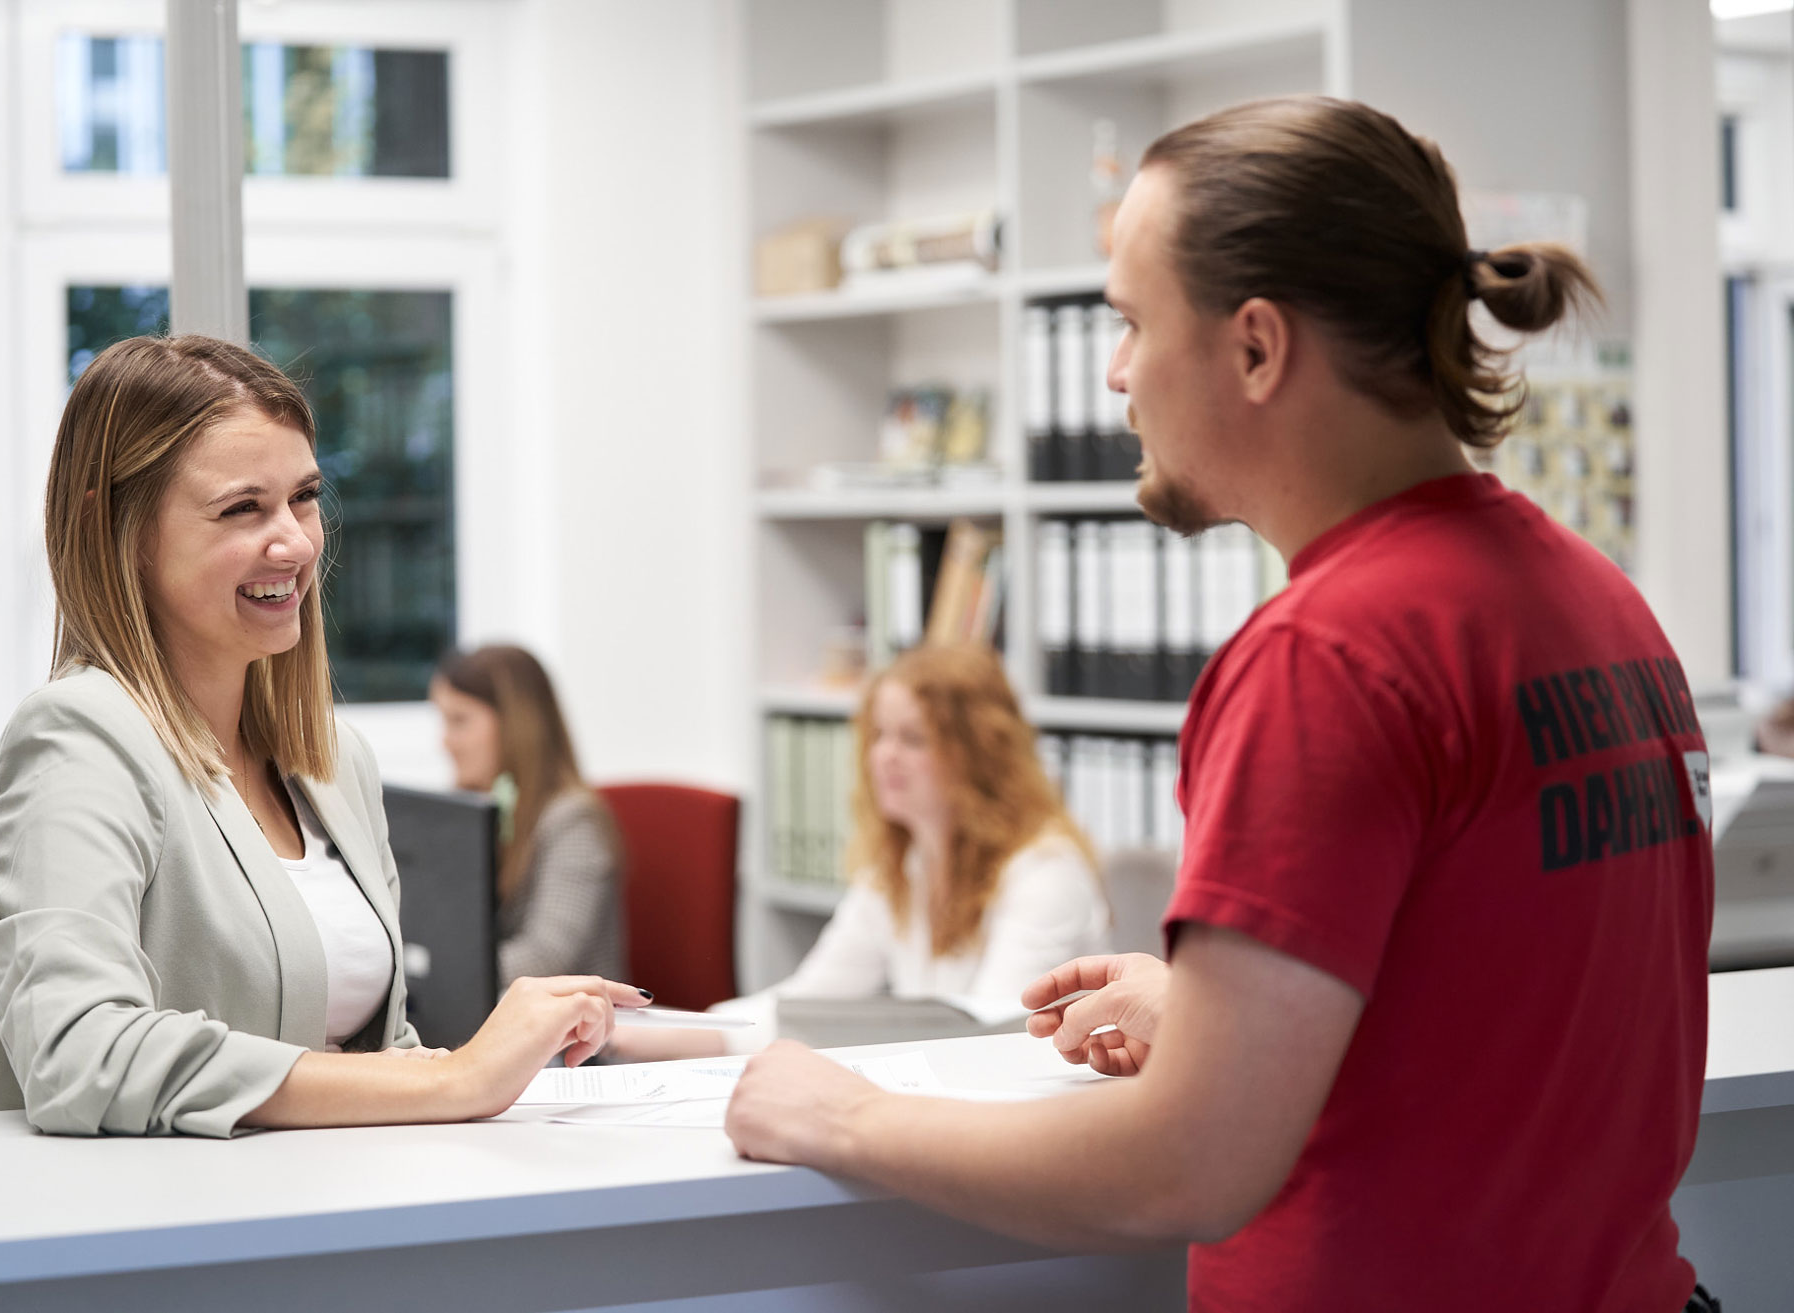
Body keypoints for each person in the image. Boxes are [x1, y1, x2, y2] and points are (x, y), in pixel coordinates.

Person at [724, 95, 1718, 1313]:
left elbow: (1182, 1169)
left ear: (1256, 348)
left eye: (1135, 321)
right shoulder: (1597, 601)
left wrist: (850, 1114)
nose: (1115, 372)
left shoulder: (1325, 656)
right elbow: (1507, 993)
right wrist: (1221, 1015)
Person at [0, 334, 645, 1138]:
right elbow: (78, 1053)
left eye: (304, 496)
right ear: (119, 527)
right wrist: (460, 1075)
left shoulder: (333, 765)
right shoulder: (79, 740)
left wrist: (476, 1064)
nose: (294, 541)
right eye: (241, 508)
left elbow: (376, 1058)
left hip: (328, 1219)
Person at [612, 641, 1109, 1062]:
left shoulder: (1045, 871)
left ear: (980, 755)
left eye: (913, 739)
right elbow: (806, 1003)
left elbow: (989, 1035)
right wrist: (640, 1033)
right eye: (879, 735)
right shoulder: (901, 865)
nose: (885, 756)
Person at [429, 645, 625, 986]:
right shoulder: (475, 809)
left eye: (459, 721)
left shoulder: (573, 821)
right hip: (507, 1021)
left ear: (514, 724)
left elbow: (545, 957)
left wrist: (434, 973)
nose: (445, 741)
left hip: (579, 1033)